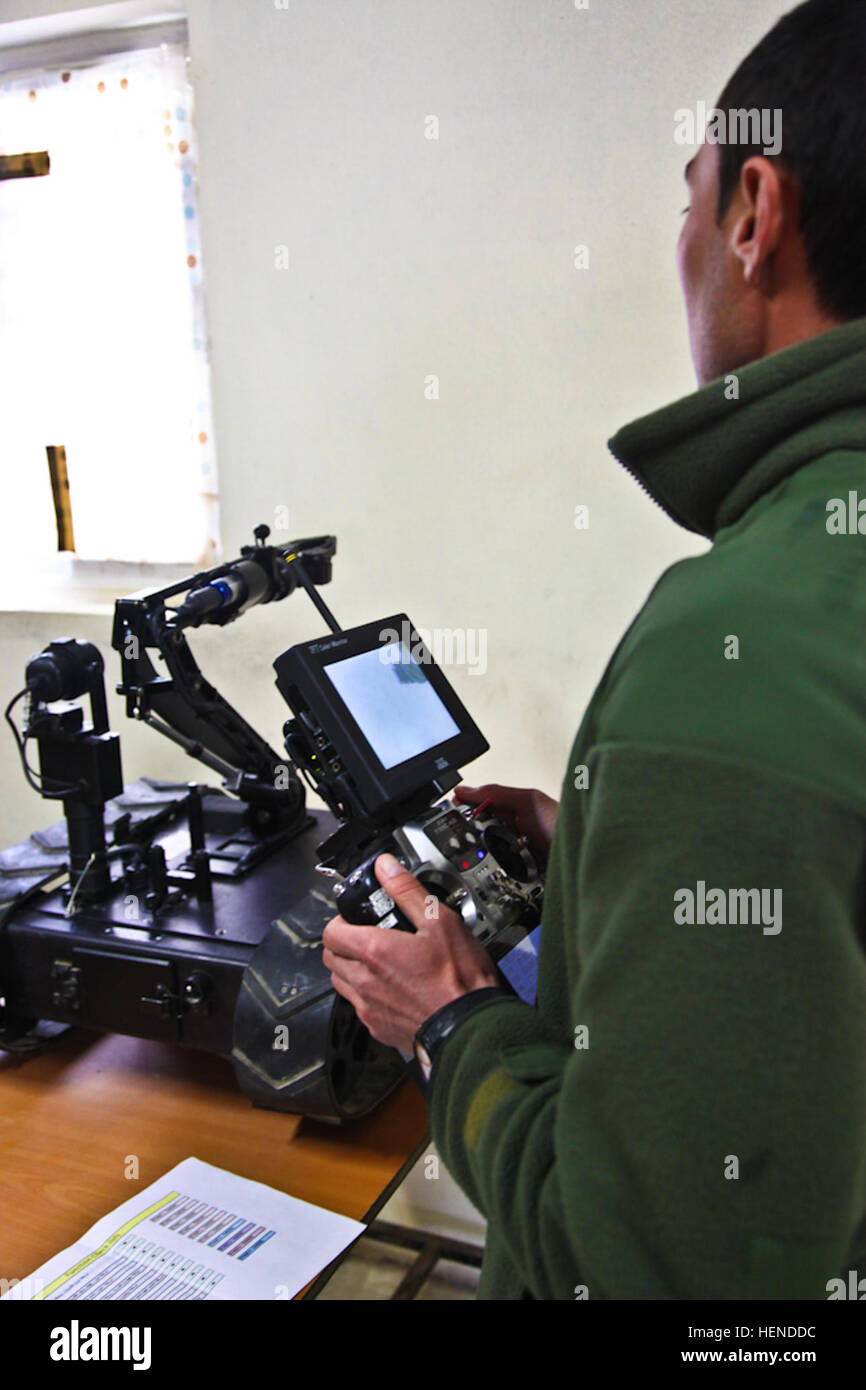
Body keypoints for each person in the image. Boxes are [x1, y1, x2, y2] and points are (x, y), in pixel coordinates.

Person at [322, 0, 866, 1299]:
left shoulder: (735, 639)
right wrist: (611, 869)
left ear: (751, 209)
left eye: (683, 205)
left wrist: (450, 1021)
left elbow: (642, 1270)